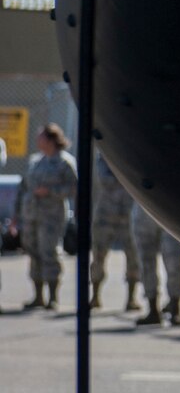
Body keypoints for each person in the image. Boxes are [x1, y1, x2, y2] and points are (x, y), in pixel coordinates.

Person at [19, 124, 78, 311]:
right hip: (31, 215)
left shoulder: (64, 162)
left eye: (41, 137)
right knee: (33, 252)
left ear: (52, 139)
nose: (38, 141)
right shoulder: (35, 161)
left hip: (52, 217)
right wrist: (16, 216)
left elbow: (74, 188)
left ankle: (53, 297)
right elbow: (23, 189)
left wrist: (50, 191)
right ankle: (38, 296)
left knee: (49, 252)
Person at [88, 154, 140, 312]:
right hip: (106, 214)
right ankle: (95, 296)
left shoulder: (134, 155)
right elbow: (106, 179)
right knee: (98, 256)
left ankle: (131, 298)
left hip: (128, 214)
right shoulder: (105, 156)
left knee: (133, 257)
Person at [127, 202, 180, 325]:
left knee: (174, 261)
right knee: (146, 262)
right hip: (143, 205)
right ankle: (152, 308)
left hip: (169, 206)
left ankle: (175, 309)